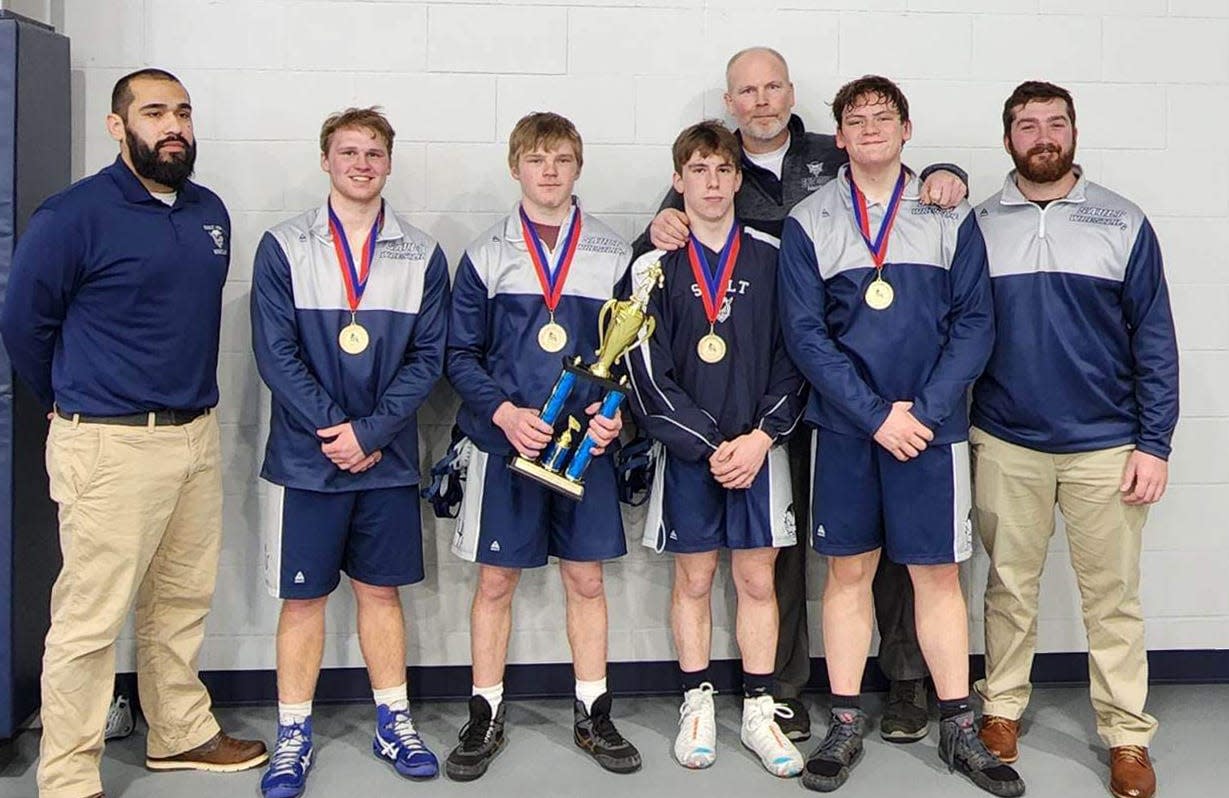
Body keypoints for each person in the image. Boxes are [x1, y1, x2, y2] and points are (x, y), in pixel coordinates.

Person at [634, 46, 968, 742]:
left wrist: (948, 173)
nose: (760, 100)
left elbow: (904, 182)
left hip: (843, 390)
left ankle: (904, 683)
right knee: (784, 554)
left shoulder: (831, 154)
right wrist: (655, 224)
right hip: (796, 398)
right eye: (745, 91)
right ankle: (779, 688)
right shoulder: (709, 164)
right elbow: (665, 260)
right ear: (728, 104)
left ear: (791, 93)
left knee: (893, 552)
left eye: (771, 87)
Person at [0, 68, 268, 798]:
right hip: (109, 445)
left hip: (195, 438)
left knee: (180, 602)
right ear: (118, 127)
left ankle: (178, 734)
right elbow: (23, 323)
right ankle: (67, 777)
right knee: (88, 621)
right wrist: (65, 398)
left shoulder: (209, 211)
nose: (172, 125)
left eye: (182, 111)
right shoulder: (73, 216)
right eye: (153, 113)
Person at [779, 75, 1022, 797]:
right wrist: (873, 414)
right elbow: (804, 334)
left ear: (906, 129)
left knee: (936, 575)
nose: (870, 128)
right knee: (847, 573)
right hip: (848, 429)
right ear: (840, 136)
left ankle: (956, 722)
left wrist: (925, 408)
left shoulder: (947, 212)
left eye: (883, 117)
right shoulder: (812, 218)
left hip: (931, 429)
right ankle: (846, 720)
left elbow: (975, 322)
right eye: (855, 120)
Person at [970, 81, 1178, 798]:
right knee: (1007, 588)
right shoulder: (978, 223)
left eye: (1053, 123)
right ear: (1008, 141)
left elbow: (1154, 339)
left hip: (1106, 445)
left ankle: (1125, 735)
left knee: (1112, 599)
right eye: (1026, 126)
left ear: (1073, 133)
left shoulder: (1122, 222)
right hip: (1005, 440)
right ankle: (998, 710)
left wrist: (1154, 443)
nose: (1041, 136)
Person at [249, 107, 450, 797]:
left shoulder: (421, 254)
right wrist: (337, 429)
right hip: (308, 459)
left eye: (373, 153)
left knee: (380, 593)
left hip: (385, 459)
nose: (361, 163)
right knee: (303, 603)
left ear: (389, 163)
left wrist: (372, 432)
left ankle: (391, 720)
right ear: (326, 161)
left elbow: (429, 358)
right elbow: (275, 354)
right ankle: (294, 733)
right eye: (348, 152)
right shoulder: (284, 245)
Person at [443, 112, 640, 781]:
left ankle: (593, 710)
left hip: (585, 448)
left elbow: (631, 356)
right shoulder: (486, 252)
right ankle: (485, 712)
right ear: (514, 167)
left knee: (585, 580)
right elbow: (458, 353)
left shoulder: (613, 253)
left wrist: (616, 418)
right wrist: (502, 412)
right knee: (495, 582)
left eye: (560, 158)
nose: (548, 171)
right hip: (506, 445)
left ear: (577, 166)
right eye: (535, 158)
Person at [626, 120, 805, 778]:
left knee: (757, 581)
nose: (710, 181)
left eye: (722, 170)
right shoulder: (651, 263)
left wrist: (759, 438)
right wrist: (708, 445)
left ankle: (758, 708)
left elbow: (797, 357)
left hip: (759, 452)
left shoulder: (772, 255)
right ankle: (695, 699)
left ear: (737, 179)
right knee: (694, 580)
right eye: (697, 170)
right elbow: (642, 369)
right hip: (689, 456)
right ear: (678, 181)